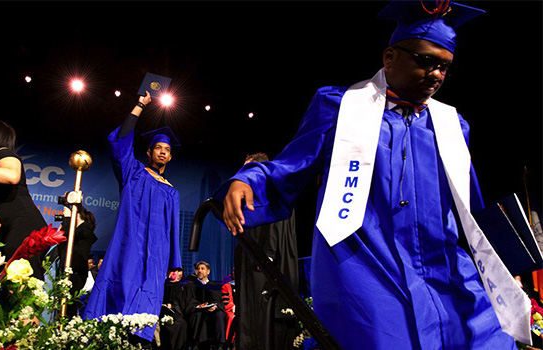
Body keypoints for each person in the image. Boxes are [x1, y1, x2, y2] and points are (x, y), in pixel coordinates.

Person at [215, 1, 525, 349]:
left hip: (444, 264)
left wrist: (502, 265)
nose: (436, 74)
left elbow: (471, 205)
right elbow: (293, 165)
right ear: (389, 57)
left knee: (488, 339)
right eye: (425, 61)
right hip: (368, 260)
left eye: (444, 67)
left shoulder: (452, 125)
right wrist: (249, 179)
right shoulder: (342, 105)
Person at [83, 91, 182, 345]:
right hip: (129, 246)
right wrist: (140, 105)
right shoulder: (133, 173)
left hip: (158, 255)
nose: (162, 152)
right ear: (148, 153)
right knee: (121, 290)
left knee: (147, 301)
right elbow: (119, 143)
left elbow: (174, 230)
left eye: (166, 150)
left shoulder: (172, 191)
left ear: (170, 157)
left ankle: (139, 342)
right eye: (158, 148)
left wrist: (176, 263)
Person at [233, 153, 299, 350]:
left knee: (262, 315)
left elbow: (274, 226)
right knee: (253, 314)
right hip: (255, 260)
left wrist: (267, 255)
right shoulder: (258, 192)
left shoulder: (269, 190)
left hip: (262, 263)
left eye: (247, 169)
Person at [0, 120, 49, 279]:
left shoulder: (3, 152)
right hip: (8, 229)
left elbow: (12, 176)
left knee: (19, 277)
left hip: (23, 225)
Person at [57, 205, 97, 317]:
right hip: (67, 272)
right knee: (63, 308)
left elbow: (69, 237)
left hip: (75, 275)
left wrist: (68, 219)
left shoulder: (85, 231)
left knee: (69, 308)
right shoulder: (77, 233)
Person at [185, 261, 226, 350]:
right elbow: (190, 300)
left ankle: (220, 344)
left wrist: (214, 306)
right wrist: (198, 306)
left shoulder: (214, 285)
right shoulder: (191, 285)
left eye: (202, 269)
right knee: (198, 313)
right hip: (198, 310)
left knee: (219, 314)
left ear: (208, 271)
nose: (199, 271)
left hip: (212, 310)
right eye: (197, 269)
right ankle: (195, 343)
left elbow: (218, 300)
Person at [155, 267, 188, 350]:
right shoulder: (161, 283)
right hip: (160, 312)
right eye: (175, 271)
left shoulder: (182, 285)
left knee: (181, 323)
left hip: (175, 313)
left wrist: (172, 305)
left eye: (179, 271)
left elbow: (181, 303)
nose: (178, 274)